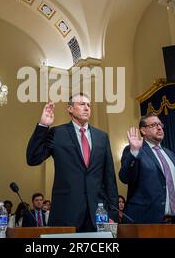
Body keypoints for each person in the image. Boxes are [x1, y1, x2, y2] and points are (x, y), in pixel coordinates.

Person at [27, 93, 119, 232]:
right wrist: (43, 126)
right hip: (66, 213)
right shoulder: (57, 133)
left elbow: (109, 177)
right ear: (70, 108)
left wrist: (113, 213)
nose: (87, 108)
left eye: (89, 105)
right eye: (82, 104)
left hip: (98, 214)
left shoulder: (102, 137)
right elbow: (33, 158)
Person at [119, 113, 175, 224]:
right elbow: (125, 177)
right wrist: (134, 152)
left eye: (160, 124)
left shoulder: (170, 153)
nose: (159, 128)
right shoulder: (135, 150)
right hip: (146, 220)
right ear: (143, 131)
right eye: (154, 125)